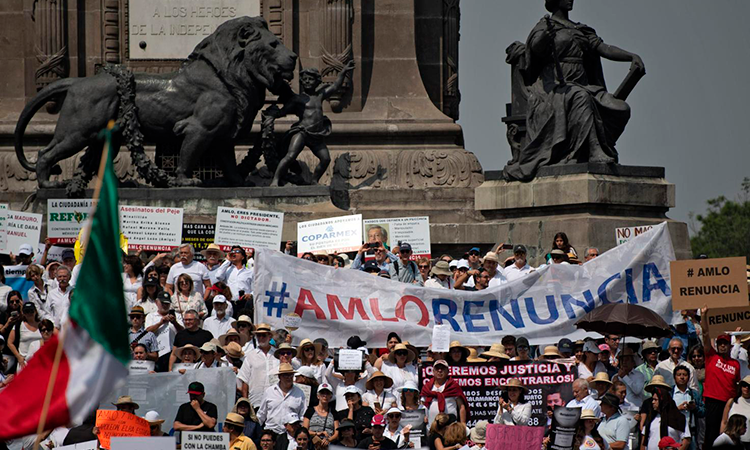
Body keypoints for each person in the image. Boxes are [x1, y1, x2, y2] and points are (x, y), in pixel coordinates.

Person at [266, 61, 355, 186]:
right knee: (290, 155)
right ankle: (275, 180)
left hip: (316, 135)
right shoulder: (297, 99)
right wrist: (274, 114)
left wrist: (343, 72)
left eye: (311, 79)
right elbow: (284, 111)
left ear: (317, 81)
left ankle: (314, 180)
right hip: (302, 132)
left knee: (325, 159)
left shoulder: (320, 96)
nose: (307, 81)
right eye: (305, 79)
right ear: (301, 82)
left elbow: (335, 86)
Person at [700, 307, 742, 449]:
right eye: (720, 343)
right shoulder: (711, 356)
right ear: (717, 345)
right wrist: (704, 315)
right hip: (713, 401)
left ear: (730, 346)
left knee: (729, 435)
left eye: (725, 343)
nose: (723, 346)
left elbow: (737, 385)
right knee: (711, 436)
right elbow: (705, 334)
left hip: (728, 404)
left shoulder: (735, 363)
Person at [641, 376, 691, 450]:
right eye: (653, 399)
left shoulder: (678, 418)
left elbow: (686, 440)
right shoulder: (651, 418)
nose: (653, 402)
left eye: (655, 400)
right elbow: (644, 440)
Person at [238, 323, 279, 410]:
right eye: (258, 335)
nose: (260, 338)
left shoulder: (277, 355)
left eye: (263, 335)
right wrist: (246, 402)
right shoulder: (250, 356)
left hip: (275, 401)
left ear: (270, 336)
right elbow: (245, 381)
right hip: (256, 402)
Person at [257, 363, 307, 434]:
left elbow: (302, 415)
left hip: (291, 434)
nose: (288, 377)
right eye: (285, 375)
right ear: (279, 376)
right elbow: (261, 414)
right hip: (271, 432)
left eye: (290, 375)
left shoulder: (300, 393)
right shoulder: (269, 392)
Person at [145, 291, 184, 372]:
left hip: (173, 353)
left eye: (167, 303)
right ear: (156, 302)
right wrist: (160, 323)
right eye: (162, 303)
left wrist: (175, 322)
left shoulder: (178, 316)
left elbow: (183, 332)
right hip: (159, 352)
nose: (165, 305)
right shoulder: (151, 316)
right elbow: (147, 331)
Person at [421, 360, 468, 424]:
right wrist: (423, 417)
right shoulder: (427, 387)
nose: (440, 370)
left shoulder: (453, 386)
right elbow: (423, 405)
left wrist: (463, 424)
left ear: (448, 371)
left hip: (450, 427)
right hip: (431, 426)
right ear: (433, 371)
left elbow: (461, 407)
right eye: (437, 368)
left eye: (442, 368)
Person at [671, 365, 704, 447]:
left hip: (691, 432)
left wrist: (694, 408)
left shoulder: (694, 394)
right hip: (673, 431)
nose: (682, 377)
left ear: (689, 377)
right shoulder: (670, 393)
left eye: (684, 375)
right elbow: (664, 411)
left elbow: (703, 412)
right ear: (674, 377)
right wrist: (677, 409)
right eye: (679, 375)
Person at [7, 300, 41, 370]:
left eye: (31, 311)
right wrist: (18, 357)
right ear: (23, 313)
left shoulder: (42, 325)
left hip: (40, 361)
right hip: (24, 362)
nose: (29, 313)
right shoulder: (18, 326)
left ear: (35, 311)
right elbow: (9, 342)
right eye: (26, 311)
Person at [304, 383, 339, 449]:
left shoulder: (334, 413)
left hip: (327, 445)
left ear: (331, 397)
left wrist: (328, 440)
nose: (325, 396)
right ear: (318, 396)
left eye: (327, 393)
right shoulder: (310, 411)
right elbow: (304, 430)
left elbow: (336, 433)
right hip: (312, 445)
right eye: (322, 393)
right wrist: (317, 434)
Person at [720, 375, 750, 448]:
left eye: (749, 386)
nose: (747, 388)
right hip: (730, 440)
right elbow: (724, 421)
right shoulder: (732, 401)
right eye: (744, 385)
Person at [47, 265, 72, 329]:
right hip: (56, 329)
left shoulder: (74, 292)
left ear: (70, 277)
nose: (62, 279)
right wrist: (53, 325)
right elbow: (47, 312)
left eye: (64, 276)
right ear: (57, 278)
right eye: (60, 277)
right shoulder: (51, 294)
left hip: (71, 329)